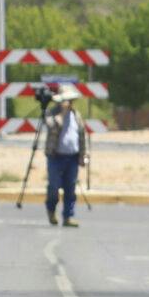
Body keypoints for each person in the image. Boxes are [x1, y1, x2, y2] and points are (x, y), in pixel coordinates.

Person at [41, 88, 89, 227]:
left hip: (72, 157)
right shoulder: (52, 113)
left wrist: (82, 155)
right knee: (54, 186)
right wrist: (62, 113)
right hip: (56, 156)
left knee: (70, 188)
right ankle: (51, 210)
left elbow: (81, 136)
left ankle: (68, 216)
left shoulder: (76, 115)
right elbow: (52, 127)